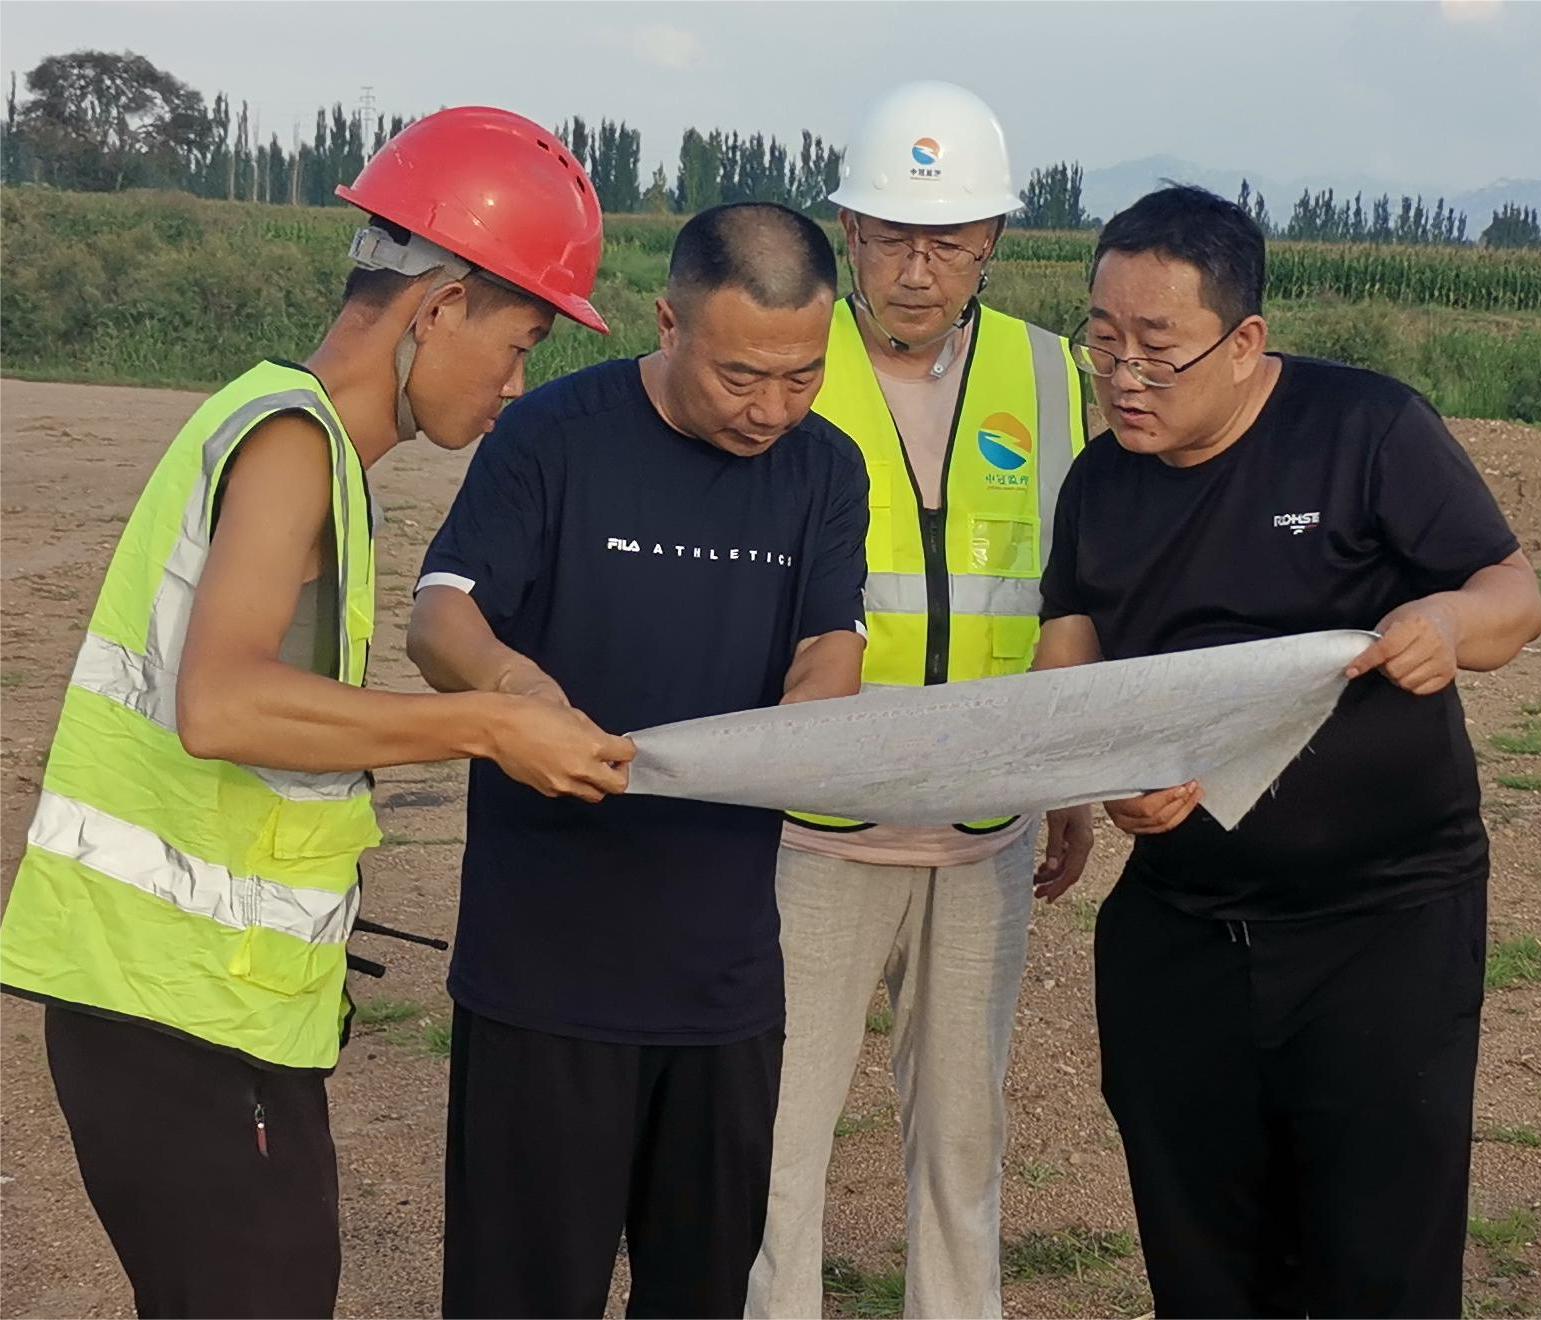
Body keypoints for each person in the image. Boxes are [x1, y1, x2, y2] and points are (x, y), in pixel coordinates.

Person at [0, 108, 632, 1320]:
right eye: (519, 343)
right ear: (442, 305)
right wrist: (486, 728)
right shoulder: (292, 443)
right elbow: (222, 705)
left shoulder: (299, 441)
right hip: (174, 1013)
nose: (516, 384)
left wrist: (505, 688)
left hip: (201, 1010)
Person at [1034, 184, 1541, 1319]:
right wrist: (1100, 777)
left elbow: (1510, 593)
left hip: (1380, 927)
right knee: (1204, 1256)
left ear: (1242, 341)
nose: (1122, 376)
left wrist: (1447, 625)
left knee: (1380, 1259)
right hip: (1183, 929)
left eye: (1155, 347)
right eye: (1101, 342)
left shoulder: (1365, 428)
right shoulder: (1100, 481)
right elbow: (1070, 647)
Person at [406, 201, 870, 1320]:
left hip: (723, 984)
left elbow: (830, 646)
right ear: (668, 323)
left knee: (702, 1291)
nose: (771, 409)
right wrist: (518, 693)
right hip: (545, 975)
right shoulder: (552, 435)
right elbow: (440, 616)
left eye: (801, 377)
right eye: (740, 376)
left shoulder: (824, 469)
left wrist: (800, 733)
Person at [746, 82, 1090, 1320]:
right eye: (890, 237)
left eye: (945, 241)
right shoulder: (789, 359)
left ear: (991, 238)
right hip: (813, 832)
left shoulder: (1047, 373)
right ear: (847, 231)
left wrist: (1062, 776)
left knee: (963, 1142)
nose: (914, 269)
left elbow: (1067, 584)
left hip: (984, 828)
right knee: (775, 1140)